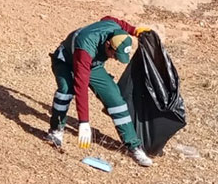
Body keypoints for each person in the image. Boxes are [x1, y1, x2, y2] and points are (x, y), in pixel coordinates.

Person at [47, 16, 154, 166]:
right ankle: (55, 130)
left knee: (116, 100)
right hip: (66, 61)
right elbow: (81, 86)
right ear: (108, 44)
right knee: (66, 91)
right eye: (114, 55)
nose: (115, 59)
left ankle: (134, 146)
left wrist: (134, 30)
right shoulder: (85, 48)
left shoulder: (115, 30)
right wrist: (84, 122)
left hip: (93, 66)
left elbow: (110, 19)